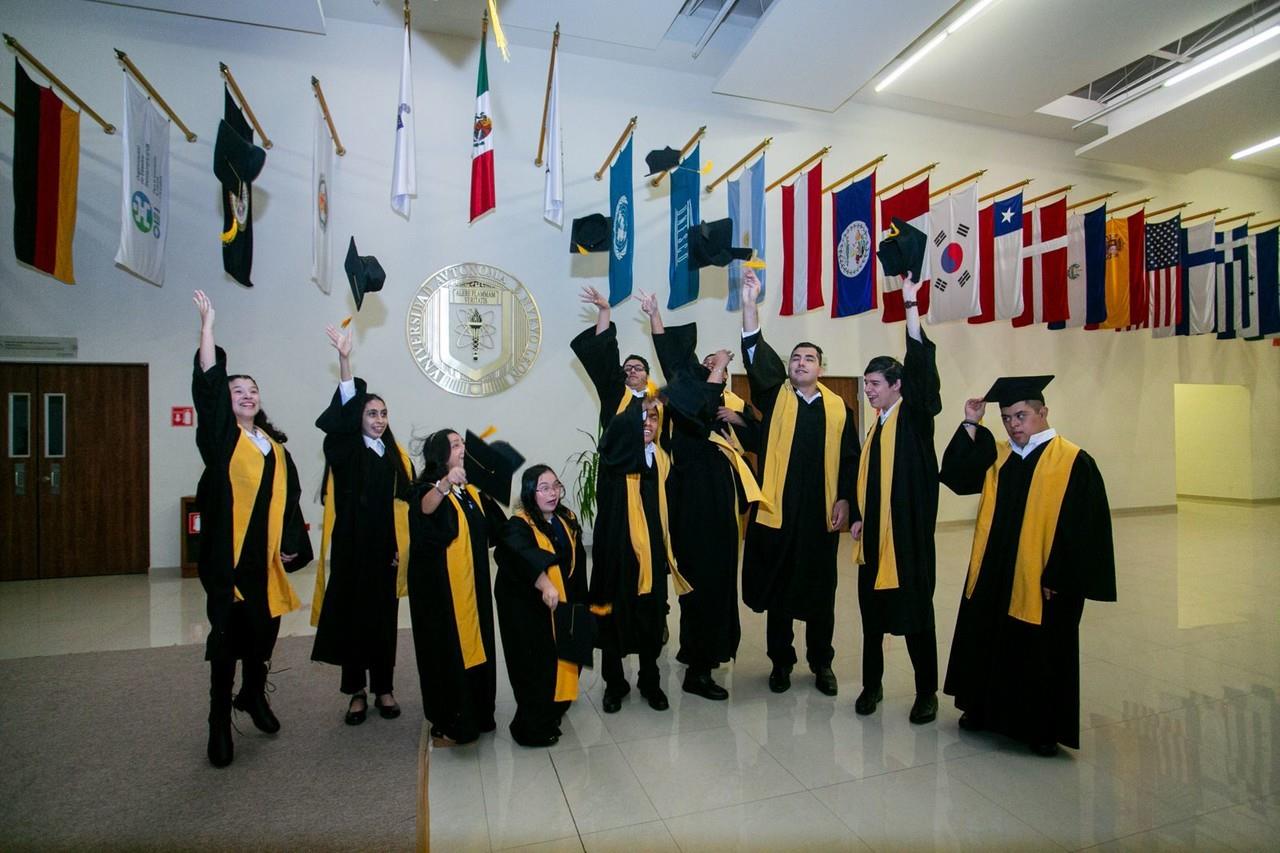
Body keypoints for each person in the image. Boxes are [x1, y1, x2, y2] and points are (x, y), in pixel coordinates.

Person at [939, 376, 1117, 756]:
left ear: (1043, 413)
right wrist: (972, 422)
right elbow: (957, 478)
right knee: (987, 635)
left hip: (1042, 579)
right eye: (1006, 418)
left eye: (1021, 415)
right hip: (994, 571)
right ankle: (981, 710)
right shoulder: (999, 456)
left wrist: (1061, 577)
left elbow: (1085, 529)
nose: (1014, 424)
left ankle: (1039, 728)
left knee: (1038, 650)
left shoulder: (1072, 461)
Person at [190, 290, 308, 769]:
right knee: (227, 642)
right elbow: (208, 388)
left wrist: (292, 546)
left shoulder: (276, 448)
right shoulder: (223, 441)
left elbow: (292, 501)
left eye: (252, 391)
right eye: (238, 392)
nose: (247, 396)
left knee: (264, 635)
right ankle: (220, 719)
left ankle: (253, 695)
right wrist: (208, 331)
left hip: (265, 563)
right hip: (229, 561)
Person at [737, 269, 860, 696]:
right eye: (795, 359)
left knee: (821, 592)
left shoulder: (840, 409)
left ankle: (821, 663)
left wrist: (847, 500)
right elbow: (755, 354)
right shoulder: (775, 397)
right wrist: (751, 304)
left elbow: (850, 460)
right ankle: (781, 662)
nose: (800, 363)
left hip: (820, 515)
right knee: (781, 591)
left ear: (821, 367)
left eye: (808, 359)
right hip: (780, 512)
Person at [639, 292, 764, 700]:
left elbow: (758, 438)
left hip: (722, 510)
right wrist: (656, 317)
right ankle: (699, 670)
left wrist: (739, 417)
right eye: (711, 364)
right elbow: (675, 366)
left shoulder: (725, 404)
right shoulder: (687, 405)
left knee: (719, 581)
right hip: (695, 508)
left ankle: (696, 649)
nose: (717, 366)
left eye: (720, 366)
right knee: (703, 582)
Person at [850, 275, 943, 724]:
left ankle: (927, 692)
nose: (868, 389)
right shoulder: (876, 427)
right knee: (871, 619)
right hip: (873, 542)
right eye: (865, 383)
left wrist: (911, 306)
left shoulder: (914, 419)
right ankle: (873, 686)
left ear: (896, 385)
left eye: (874, 383)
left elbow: (922, 370)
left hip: (906, 542)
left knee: (915, 618)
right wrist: (859, 518)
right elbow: (868, 480)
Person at [310, 325, 414, 726]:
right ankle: (355, 691)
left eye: (384, 413)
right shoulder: (347, 450)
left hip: (385, 551)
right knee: (353, 621)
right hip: (353, 550)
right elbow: (345, 412)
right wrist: (345, 362)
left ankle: (383, 688)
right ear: (359, 418)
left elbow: (409, 496)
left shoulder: (394, 454)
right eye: (372, 413)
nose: (379, 419)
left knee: (385, 621)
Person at [589, 397, 691, 713]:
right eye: (642, 418)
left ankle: (651, 682)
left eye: (653, 420)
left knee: (650, 620)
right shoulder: (615, 460)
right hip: (616, 557)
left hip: (652, 557)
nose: (648, 424)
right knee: (612, 621)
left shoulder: (663, 461)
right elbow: (613, 438)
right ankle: (614, 684)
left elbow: (672, 510)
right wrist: (637, 407)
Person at [406, 429, 506, 745]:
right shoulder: (427, 488)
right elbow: (425, 508)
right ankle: (451, 716)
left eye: (462, 443)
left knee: (477, 641)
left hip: (471, 584)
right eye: (455, 445)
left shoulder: (470, 490)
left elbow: (495, 530)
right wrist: (446, 483)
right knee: (448, 647)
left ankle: (478, 710)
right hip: (441, 589)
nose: (462, 448)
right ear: (440, 454)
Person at [493, 465, 589, 746]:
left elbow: (576, 561)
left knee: (565, 657)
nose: (552, 493)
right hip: (527, 609)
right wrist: (545, 582)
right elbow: (518, 554)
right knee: (536, 666)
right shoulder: (518, 525)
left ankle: (555, 708)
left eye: (555, 486)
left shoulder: (565, 518)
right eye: (543, 488)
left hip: (562, 603)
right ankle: (529, 727)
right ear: (530, 493)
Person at [570, 286, 656, 429]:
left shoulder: (659, 401)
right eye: (628, 368)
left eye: (638, 368)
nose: (633, 371)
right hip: (619, 451)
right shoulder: (614, 392)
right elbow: (605, 352)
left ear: (647, 375)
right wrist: (605, 311)